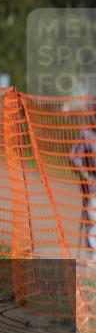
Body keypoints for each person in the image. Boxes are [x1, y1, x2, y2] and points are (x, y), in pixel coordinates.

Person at [70, 104, 96, 262]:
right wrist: (85, 175)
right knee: (93, 219)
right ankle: (94, 256)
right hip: (93, 187)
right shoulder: (87, 134)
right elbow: (74, 158)